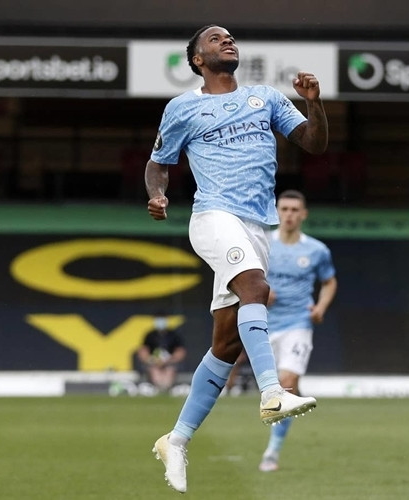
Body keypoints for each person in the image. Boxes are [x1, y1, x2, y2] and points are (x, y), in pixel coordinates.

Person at [145, 24, 328, 493]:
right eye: (214, 39)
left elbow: (314, 143)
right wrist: (158, 194)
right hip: (213, 216)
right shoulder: (183, 107)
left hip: (256, 227)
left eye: (229, 37)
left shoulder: (266, 97)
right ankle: (272, 393)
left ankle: (176, 440)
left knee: (226, 345)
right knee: (256, 289)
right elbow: (158, 162)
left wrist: (314, 103)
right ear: (197, 60)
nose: (226, 41)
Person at [258, 189, 337, 472]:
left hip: (298, 324)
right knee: (280, 389)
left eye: (294, 210)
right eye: (284, 209)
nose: (289, 215)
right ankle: (296, 395)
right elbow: (244, 277)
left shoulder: (316, 250)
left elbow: (329, 282)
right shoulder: (262, 243)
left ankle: (272, 452)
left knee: (285, 384)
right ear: (276, 211)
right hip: (264, 324)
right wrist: (261, 291)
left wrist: (321, 307)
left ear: (303, 214)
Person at [136, 314, 187, 393]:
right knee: (154, 370)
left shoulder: (173, 335)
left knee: (170, 370)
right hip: (154, 362)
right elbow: (143, 351)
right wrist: (151, 360)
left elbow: (180, 351)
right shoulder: (150, 335)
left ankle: (166, 388)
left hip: (170, 362)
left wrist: (170, 360)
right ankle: (158, 388)